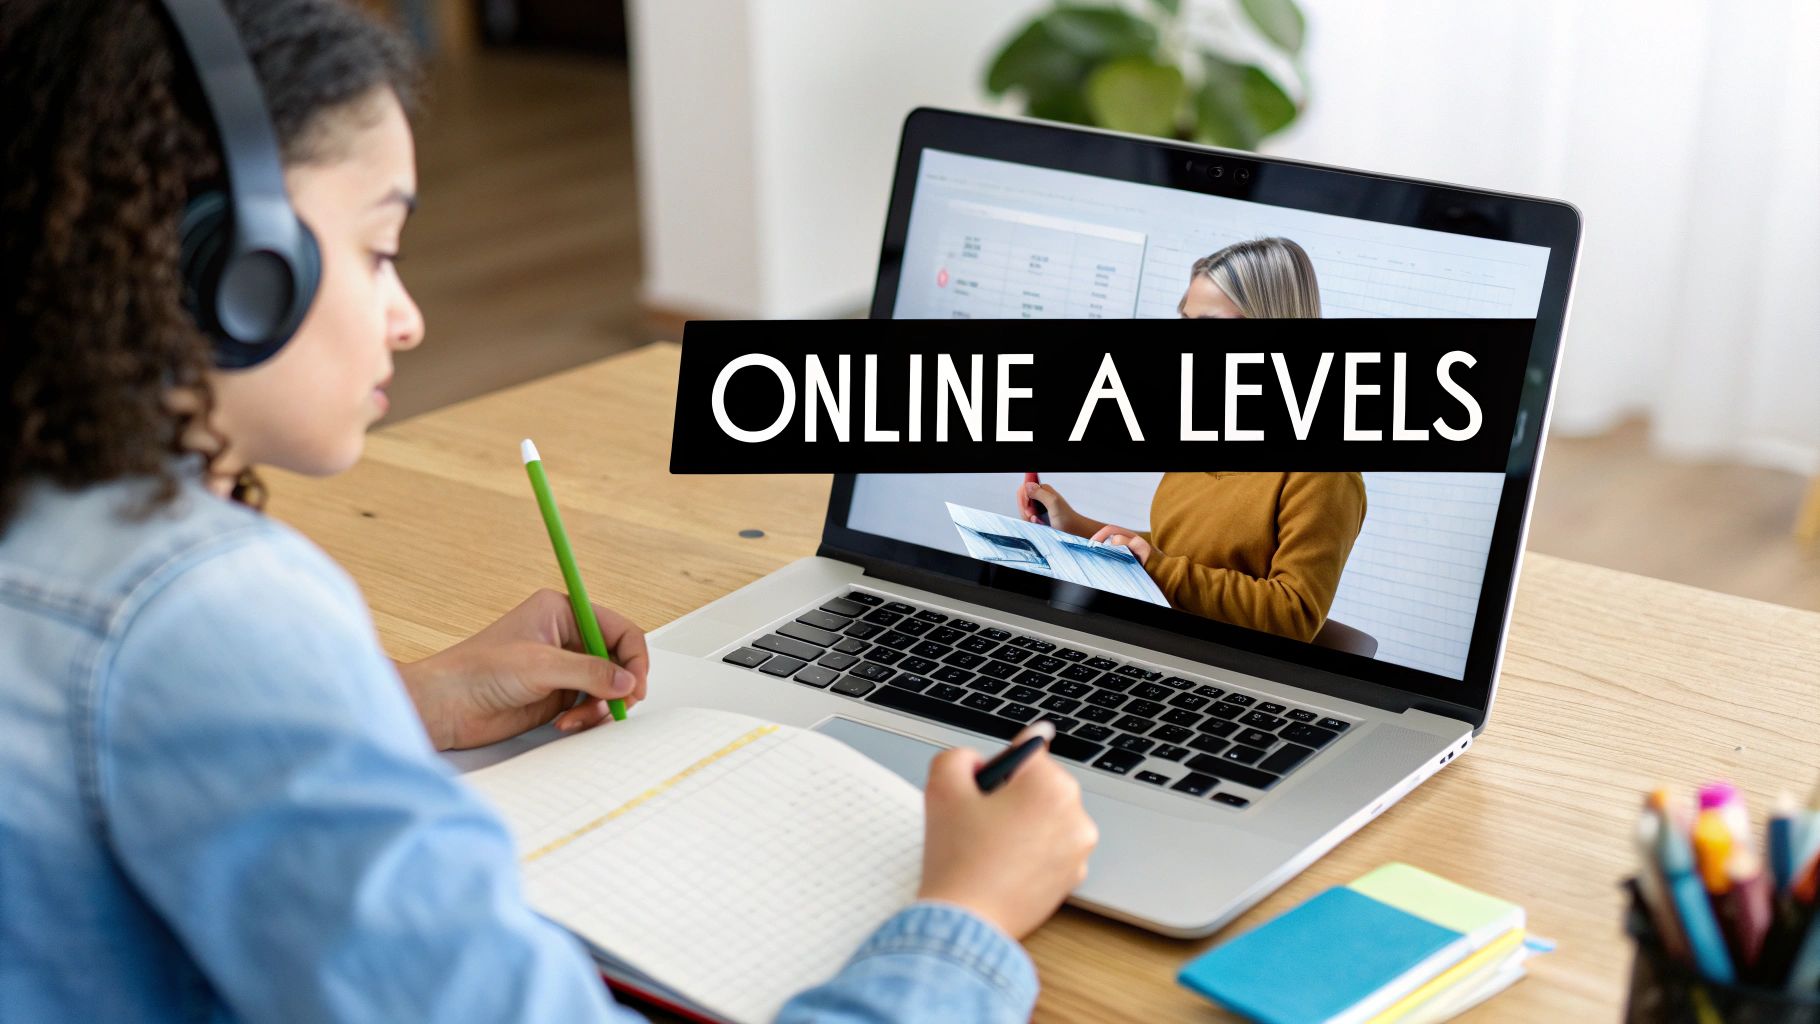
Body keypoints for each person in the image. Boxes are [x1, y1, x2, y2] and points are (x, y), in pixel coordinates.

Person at [0, 2, 1097, 1021]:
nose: (407, 319)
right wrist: (966, 919)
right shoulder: (210, 612)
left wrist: (401, 705)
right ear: (233, 271)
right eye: (378, 251)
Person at [1016, 238, 1366, 643]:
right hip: (1160, 639)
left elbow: (1294, 616)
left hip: (1226, 667)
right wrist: (1073, 526)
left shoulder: (1325, 474)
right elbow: (1179, 553)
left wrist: (1156, 568)